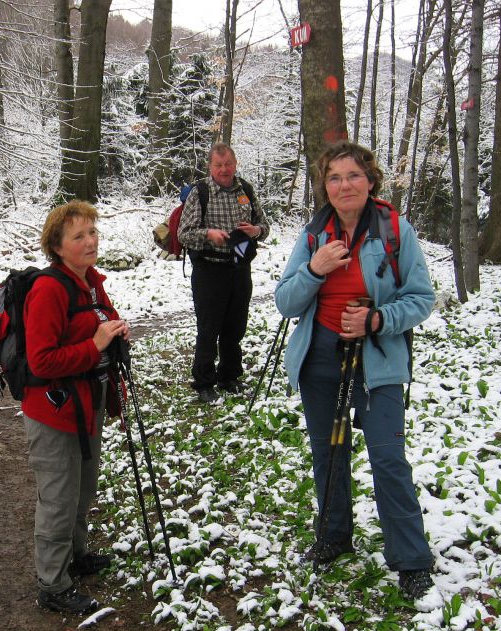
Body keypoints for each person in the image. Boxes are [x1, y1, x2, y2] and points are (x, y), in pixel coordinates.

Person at [274, 140, 435, 599]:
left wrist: (378, 319)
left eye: (353, 176)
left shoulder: (394, 229)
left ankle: (411, 559)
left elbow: (422, 298)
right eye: (334, 177)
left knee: (387, 457)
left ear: (370, 181)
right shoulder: (314, 235)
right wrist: (315, 269)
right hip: (321, 356)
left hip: (378, 357)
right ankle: (333, 536)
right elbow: (286, 301)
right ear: (325, 186)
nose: (344, 185)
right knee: (329, 452)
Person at [23, 200, 130, 615]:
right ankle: (52, 584)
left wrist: (114, 332)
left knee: (83, 487)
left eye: (93, 232)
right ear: (58, 246)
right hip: (54, 412)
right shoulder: (48, 290)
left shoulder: (90, 282)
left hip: (88, 404)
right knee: (57, 497)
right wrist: (97, 344)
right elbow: (41, 361)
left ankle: (77, 556)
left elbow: (98, 323)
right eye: (79, 236)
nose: (90, 241)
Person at [178, 143, 270, 403]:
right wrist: (208, 234)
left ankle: (229, 376)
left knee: (235, 326)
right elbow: (183, 233)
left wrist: (256, 231)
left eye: (228, 163)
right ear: (210, 167)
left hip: (240, 267)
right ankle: (204, 382)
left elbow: (265, 225)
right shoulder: (201, 193)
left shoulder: (246, 190)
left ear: (236, 163)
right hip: (209, 269)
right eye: (218, 165)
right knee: (208, 328)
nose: (224, 169)